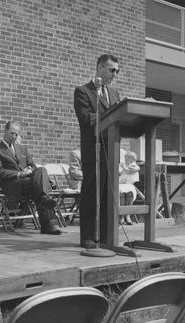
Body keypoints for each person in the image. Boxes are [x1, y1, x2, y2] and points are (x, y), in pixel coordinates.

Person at [74, 54, 121, 249]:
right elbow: (86, 118)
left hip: (111, 150)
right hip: (93, 150)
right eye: (112, 70)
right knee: (91, 194)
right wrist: (109, 114)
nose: (115, 74)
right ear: (100, 67)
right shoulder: (83, 91)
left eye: (117, 71)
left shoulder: (114, 93)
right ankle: (87, 236)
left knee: (108, 195)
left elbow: (119, 117)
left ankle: (104, 236)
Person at [0, 121, 62, 235]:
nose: (14, 137)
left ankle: (44, 200)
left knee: (41, 170)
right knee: (40, 188)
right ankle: (46, 224)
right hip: (12, 184)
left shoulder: (22, 148)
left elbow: (33, 165)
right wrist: (19, 174)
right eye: (12, 133)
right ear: (5, 131)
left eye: (16, 134)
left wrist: (29, 170)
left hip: (27, 182)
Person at [119, 149, 140, 225]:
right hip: (121, 185)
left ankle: (127, 215)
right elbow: (120, 172)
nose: (125, 160)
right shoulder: (123, 164)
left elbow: (129, 170)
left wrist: (123, 166)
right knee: (121, 194)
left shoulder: (133, 166)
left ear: (131, 160)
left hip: (129, 185)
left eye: (126, 159)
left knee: (130, 193)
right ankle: (121, 215)